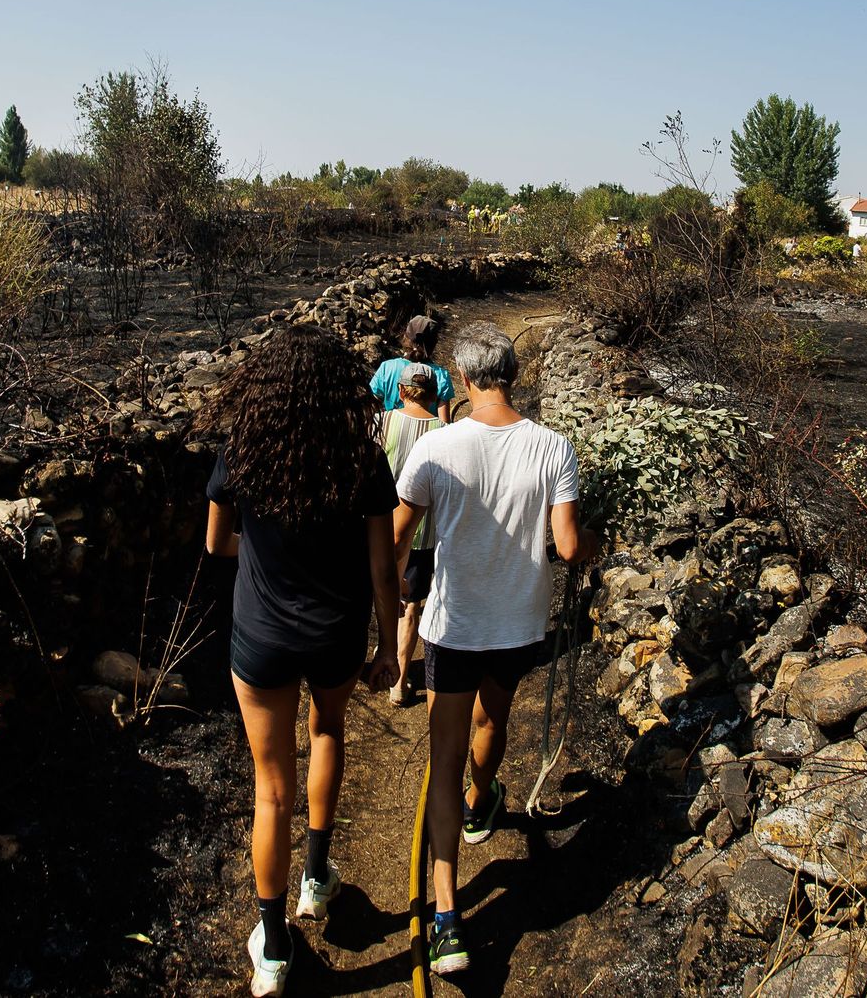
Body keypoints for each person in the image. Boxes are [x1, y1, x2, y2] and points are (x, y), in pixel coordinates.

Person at [203, 324, 402, 997]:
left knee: (269, 789)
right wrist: (389, 646)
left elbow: (216, 544)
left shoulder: (244, 451)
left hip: (260, 636)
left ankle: (275, 946)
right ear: (338, 389)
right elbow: (383, 568)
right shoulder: (361, 459)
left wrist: (260, 553)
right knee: (327, 732)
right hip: (335, 634)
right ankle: (317, 877)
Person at [393, 323, 596, 976]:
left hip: (452, 627)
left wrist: (388, 602)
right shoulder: (553, 447)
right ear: (510, 373)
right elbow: (567, 547)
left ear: (469, 377)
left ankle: (448, 920)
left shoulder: (437, 448)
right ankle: (486, 801)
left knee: (442, 756)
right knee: (493, 721)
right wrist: (596, 540)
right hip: (518, 624)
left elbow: (398, 538)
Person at [375, 362, 444, 706]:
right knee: (412, 603)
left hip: (380, 527)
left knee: (375, 588)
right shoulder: (444, 430)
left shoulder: (383, 422)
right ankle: (398, 681)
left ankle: (375, 658)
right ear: (433, 396)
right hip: (423, 532)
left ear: (401, 391)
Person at [370, 314, 455, 423]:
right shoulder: (441, 375)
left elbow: (373, 407)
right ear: (433, 344)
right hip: (426, 437)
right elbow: (444, 423)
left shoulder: (387, 368)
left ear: (406, 338)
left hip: (391, 433)